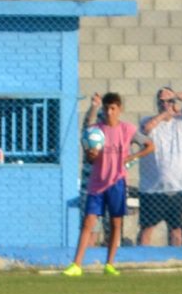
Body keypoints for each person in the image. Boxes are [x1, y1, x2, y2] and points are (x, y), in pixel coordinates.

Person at [65, 91, 152, 277]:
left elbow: (150, 146)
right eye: (106, 108)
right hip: (97, 184)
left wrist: (131, 157)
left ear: (119, 109)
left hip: (117, 183)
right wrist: (91, 155)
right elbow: (89, 154)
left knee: (115, 223)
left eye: (113, 108)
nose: (109, 112)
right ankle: (76, 265)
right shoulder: (96, 130)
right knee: (88, 222)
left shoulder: (127, 130)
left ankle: (110, 264)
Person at [137, 87, 182, 247]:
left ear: (174, 102)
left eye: (168, 101)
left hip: (177, 185)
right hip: (153, 187)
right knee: (147, 228)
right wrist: (165, 114)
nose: (165, 104)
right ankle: (141, 259)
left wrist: (176, 95)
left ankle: (176, 259)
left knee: (176, 229)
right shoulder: (147, 120)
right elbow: (146, 130)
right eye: (162, 101)